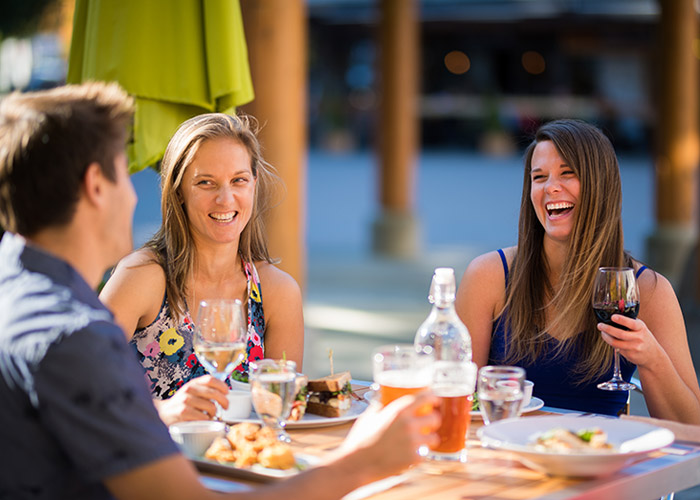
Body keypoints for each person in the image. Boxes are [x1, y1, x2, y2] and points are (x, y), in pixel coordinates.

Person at [0, 82, 440, 500]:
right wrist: (362, 463)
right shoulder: (75, 336)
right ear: (97, 186)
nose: (134, 199)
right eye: (123, 174)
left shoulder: (19, 291)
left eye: (238, 181)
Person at [456, 119, 700, 423]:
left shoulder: (648, 289)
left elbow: (692, 429)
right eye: (539, 177)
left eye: (567, 173)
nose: (550, 187)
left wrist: (651, 359)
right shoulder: (489, 276)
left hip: (599, 458)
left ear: (601, 185)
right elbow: (459, 402)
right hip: (505, 456)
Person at [99, 112, 304, 425]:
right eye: (206, 183)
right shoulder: (141, 277)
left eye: (239, 180)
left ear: (254, 184)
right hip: (151, 464)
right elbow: (80, 385)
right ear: (179, 190)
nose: (225, 199)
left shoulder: (278, 292)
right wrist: (164, 411)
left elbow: (278, 414)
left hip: (241, 466)